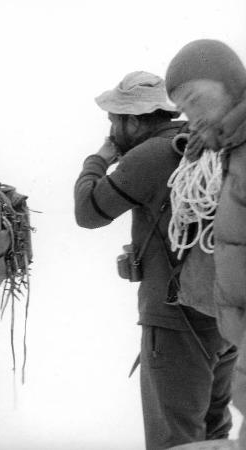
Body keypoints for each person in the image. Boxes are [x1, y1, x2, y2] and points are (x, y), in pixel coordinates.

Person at [74, 71, 237, 450]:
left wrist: (98, 160)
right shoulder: (204, 145)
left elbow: (87, 212)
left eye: (114, 120)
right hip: (224, 313)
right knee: (214, 430)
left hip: (175, 321)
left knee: (174, 438)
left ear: (134, 120)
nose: (112, 130)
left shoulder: (150, 156)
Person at [165, 39, 246, 449]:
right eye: (183, 108)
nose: (191, 118)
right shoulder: (230, 151)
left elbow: (89, 212)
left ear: (232, 83)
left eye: (195, 99)